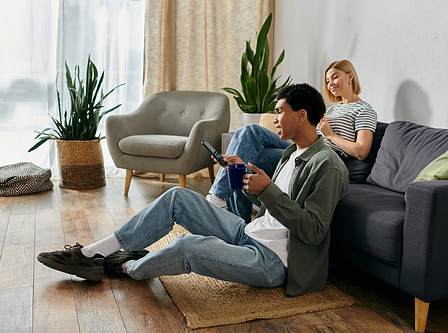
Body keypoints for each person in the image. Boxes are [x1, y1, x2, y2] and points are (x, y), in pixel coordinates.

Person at [37, 83, 349, 297]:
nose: (276, 119)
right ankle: (93, 253)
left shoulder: (328, 165)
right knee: (177, 197)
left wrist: (267, 190)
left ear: (302, 115)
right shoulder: (290, 154)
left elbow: (314, 230)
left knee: (187, 247)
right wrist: (246, 181)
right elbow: (273, 209)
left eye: (280, 111)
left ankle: (127, 266)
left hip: (274, 262)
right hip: (250, 234)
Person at [207, 60, 377, 222]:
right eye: (327, 80)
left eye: (335, 76)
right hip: (300, 147)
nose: (330, 83)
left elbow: (361, 151)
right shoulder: (333, 109)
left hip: (318, 153)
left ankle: (227, 210)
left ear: (350, 76)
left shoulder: (364, 110)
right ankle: (222, 203)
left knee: (245, 162)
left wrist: (331, 135)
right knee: (250, 131)